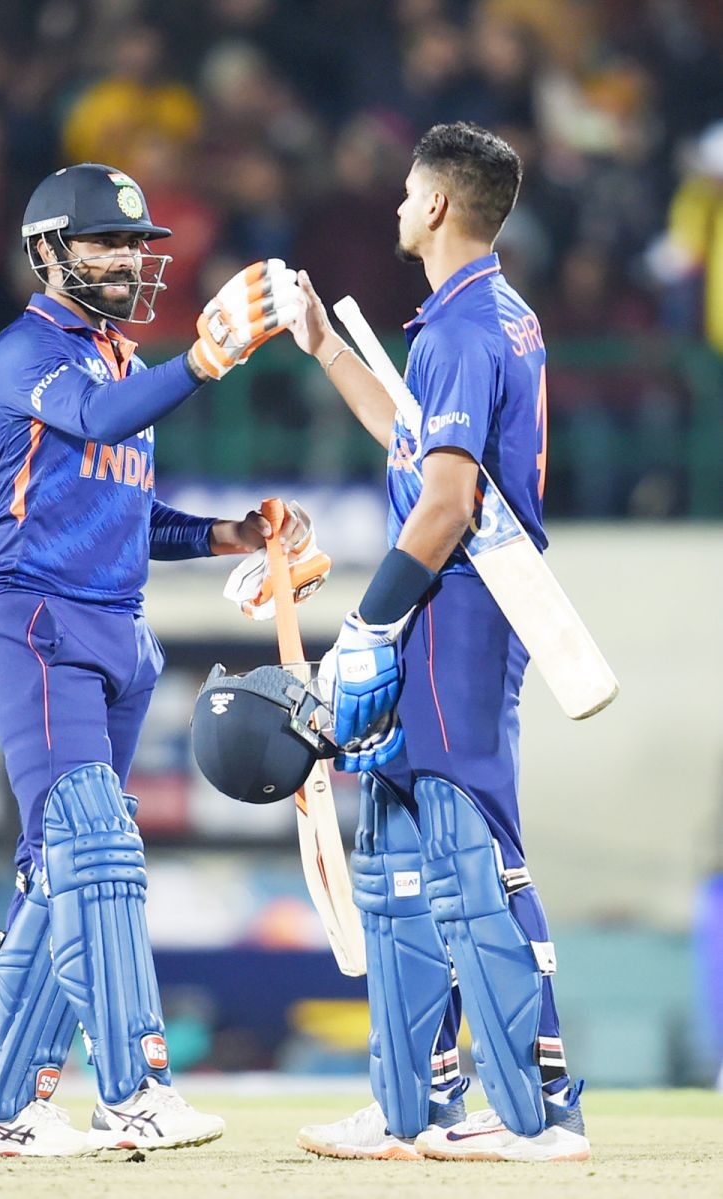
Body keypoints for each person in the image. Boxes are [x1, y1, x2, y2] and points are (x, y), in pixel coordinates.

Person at [0, 161, 305, 1157]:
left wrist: (231, 533)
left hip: (116, 627)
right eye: (105, 241)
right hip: (39, 622)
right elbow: (105, 423)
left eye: (133, 244)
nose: (125, 258)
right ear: (47, 252)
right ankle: (133, 1089)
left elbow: (128, 511)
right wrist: (201, 361)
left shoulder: (117, 360)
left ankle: (6, 1109)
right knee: (97, 848)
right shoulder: (24, 352)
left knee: (54, 872)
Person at [287, 122, 591, 1163]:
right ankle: (411, 1105)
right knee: (399, 863)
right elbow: (412, 440)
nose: (396, 206)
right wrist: (326, 342)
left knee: (472, 855)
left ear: (439, 207)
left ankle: (543, 1112)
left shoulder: (463, 330)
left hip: (454, 608)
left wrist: (372, 617)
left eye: (409, 192)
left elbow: (448, 501)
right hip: (446, 609)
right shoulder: (487, 318)